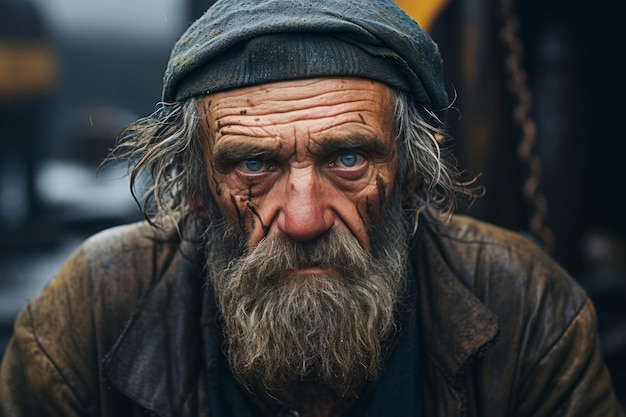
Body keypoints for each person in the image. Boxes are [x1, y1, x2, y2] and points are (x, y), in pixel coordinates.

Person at [0, 0, 623, 415]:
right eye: (253, 165)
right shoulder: (89, 312)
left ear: (409, 172)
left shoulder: (529, 307)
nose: (304, 219)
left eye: (349, 160)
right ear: (195, 187)